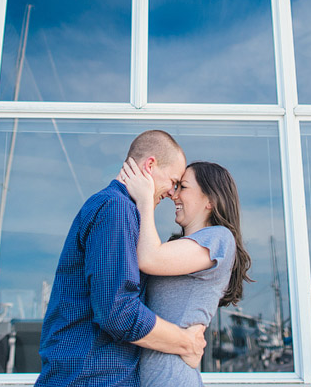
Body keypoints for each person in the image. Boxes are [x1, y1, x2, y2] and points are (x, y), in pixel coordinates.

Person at [35, 130, 207, 387]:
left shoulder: (122, 209)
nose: (173, 193)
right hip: (89, 379)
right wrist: (186, 342)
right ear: (150, 165)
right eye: (173, 181)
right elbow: (118, 312)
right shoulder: (116, 208)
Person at [119, 158, 252, 387]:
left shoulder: (219, 238)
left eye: (183, 187)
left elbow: (149, 258)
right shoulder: (182, 246)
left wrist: (145, 199)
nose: (174, 194)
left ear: (210, 199)